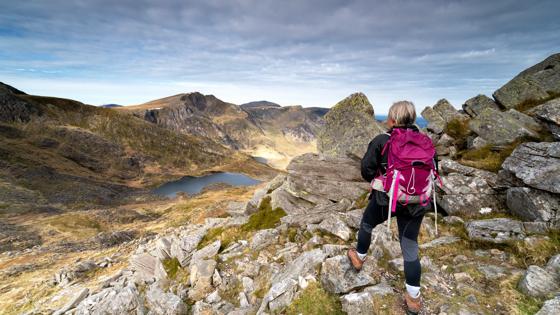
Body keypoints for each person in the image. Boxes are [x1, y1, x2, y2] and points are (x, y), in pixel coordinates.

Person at [347, 101, 437, 315]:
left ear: (393, 120)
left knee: (367, 223)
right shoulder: (426, 142)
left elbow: (366, 170)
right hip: (417, 202)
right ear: (412, 119)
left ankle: (359, 257)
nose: (387, 120)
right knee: (409, 244)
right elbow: (434, 169)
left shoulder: (382, 140)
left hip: (385, 200)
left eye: (388, 117)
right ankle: (414, 298)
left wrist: (383, 183)